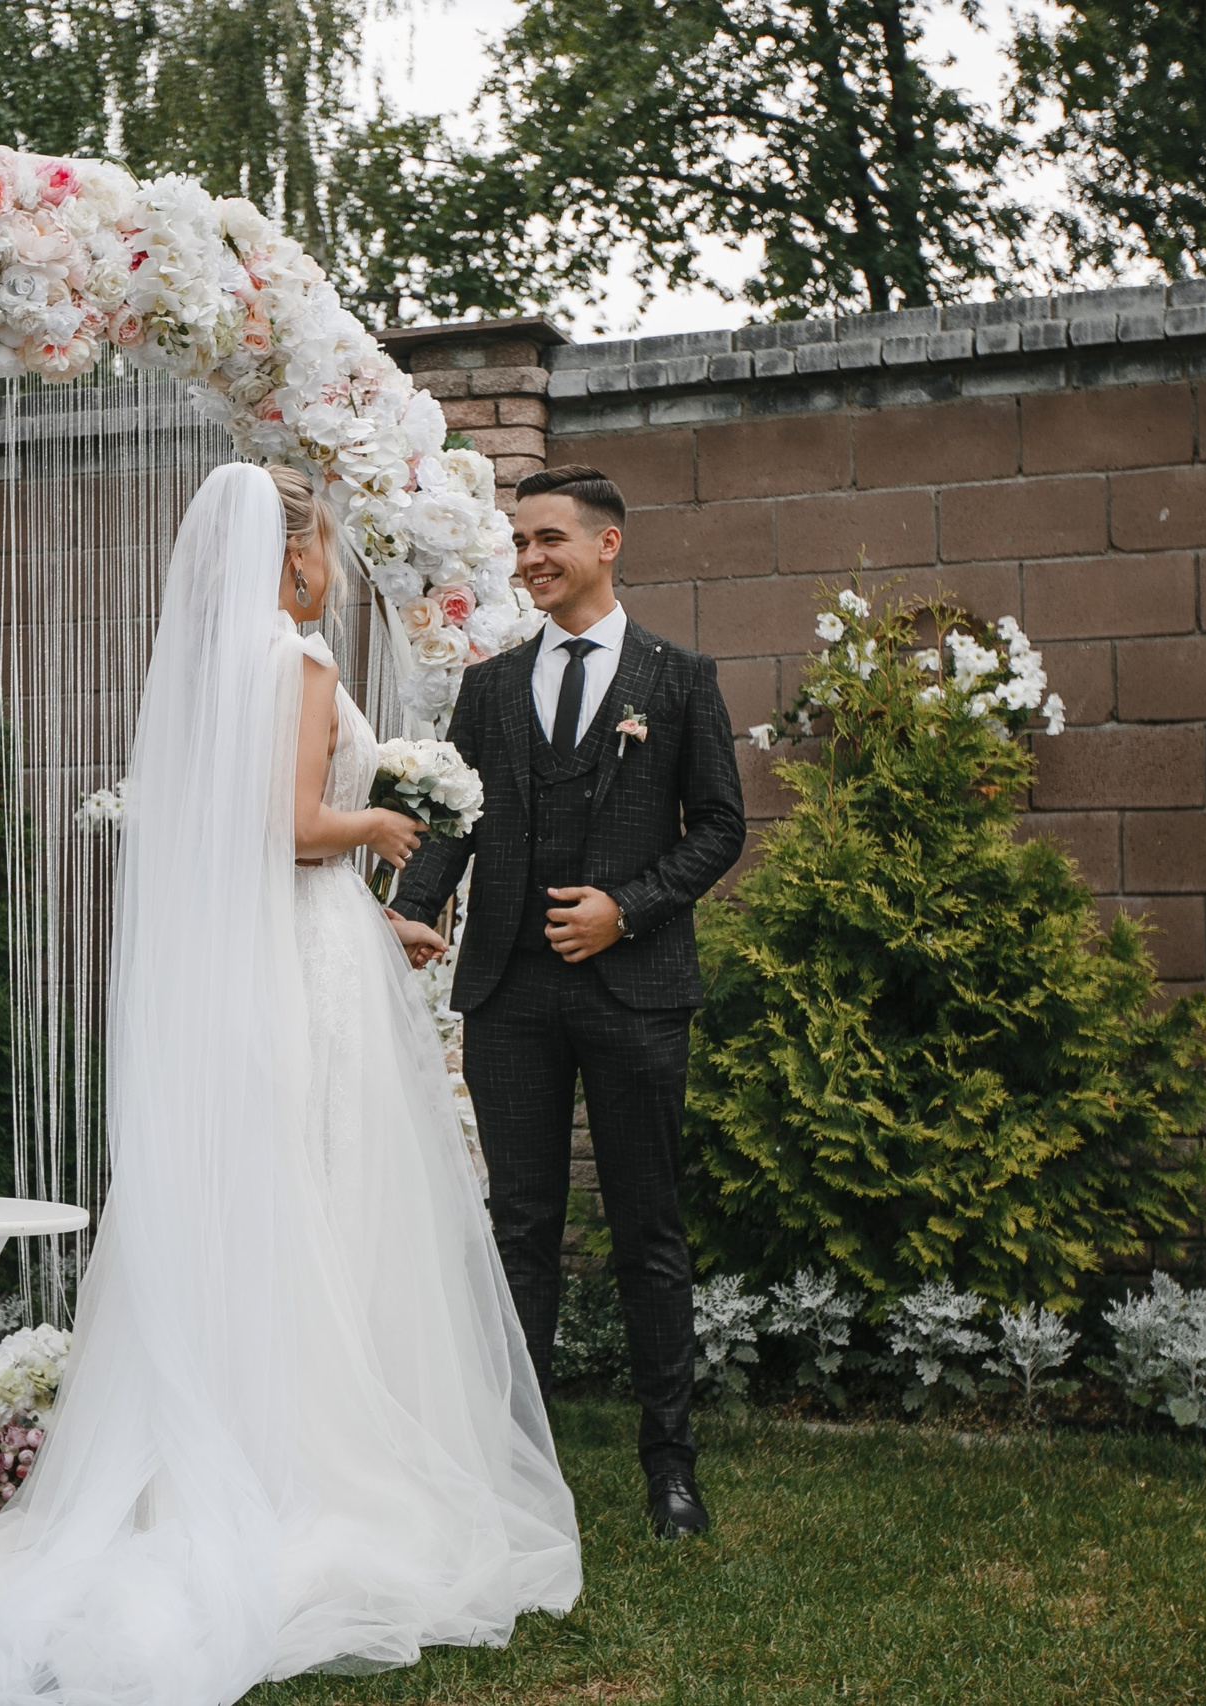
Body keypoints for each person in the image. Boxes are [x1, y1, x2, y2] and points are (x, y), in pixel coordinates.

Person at [0, 461, 581, 1705]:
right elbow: (289, 824)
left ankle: (215, 1452)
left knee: (257, 1196)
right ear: (292, 556)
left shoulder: (204, 671)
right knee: (326, 1193)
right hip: (301, 968)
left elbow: (227, 833)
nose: (330, 570)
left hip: (277, 948)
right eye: (322, 550)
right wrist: (383, 832)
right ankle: (312, 1464)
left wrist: (374, 911)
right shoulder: (294, 663)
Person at [389, 464, 746, 1542]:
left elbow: (718, 828)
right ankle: (516, 1468)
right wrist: (415, 902)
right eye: (519, 541)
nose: (530, 557)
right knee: (521, 1227)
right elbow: (455, 810)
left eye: (549, 537)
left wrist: (623, 911)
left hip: (633, 988)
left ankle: (670, 1467)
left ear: (607, 544)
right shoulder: (491, 686)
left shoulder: (678, 678)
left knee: (647, 1227)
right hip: (508, 988)